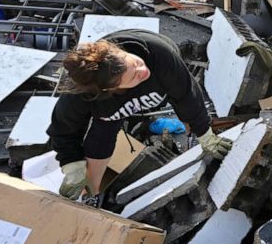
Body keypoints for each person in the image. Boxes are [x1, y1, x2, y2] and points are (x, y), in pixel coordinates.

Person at [47, 30, 233, 198]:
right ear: (110, 89)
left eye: (135, 62)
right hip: (112, 107)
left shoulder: (160, 57)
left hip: (161, 83)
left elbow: (187, 96)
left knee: (180, 102)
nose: (142, 71)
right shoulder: (82, 95)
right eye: (133, 76)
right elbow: (63, 129)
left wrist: (205, 134)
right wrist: (72, 163)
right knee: (103, 131)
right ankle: (90, 193)